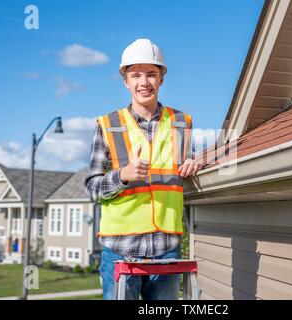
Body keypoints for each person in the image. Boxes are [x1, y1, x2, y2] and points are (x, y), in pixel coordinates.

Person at [85, 39, 200, 300]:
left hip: (166, 247)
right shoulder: (107, 125)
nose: (144, 82)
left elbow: (183, 169)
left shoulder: (181, 123)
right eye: (135, 75)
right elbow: (92, 188)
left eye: (151, 74)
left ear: (161, 78)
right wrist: (122, 176)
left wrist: (195, 164)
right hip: (120, 248)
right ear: (126, 81)